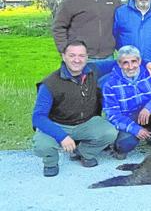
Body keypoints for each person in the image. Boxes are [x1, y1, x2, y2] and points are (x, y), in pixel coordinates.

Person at [32, 40, 118, 177]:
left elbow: (121, 61)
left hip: (85, 123)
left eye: (81, 56)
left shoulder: (93, 70)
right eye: (72, 55)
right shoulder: (50, 83)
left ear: (87, 57)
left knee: (110, 132)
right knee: (42, 145)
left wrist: (146, 63)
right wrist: (62, 136)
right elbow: (38, 117)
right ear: (63, 56)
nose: (77, 60)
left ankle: (84, 152)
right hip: (58, 124)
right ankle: (51, 162)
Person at [102, 46, 151, 159]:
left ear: (139, 61)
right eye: (125, 63)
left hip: (149, 112)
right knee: (124, 146)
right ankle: (118, 146)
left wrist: (149, 107)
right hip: (128, 118)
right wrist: (135, 129)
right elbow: (113, 115)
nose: (130, 67)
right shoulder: (110, 84)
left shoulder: (150, 73)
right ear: (119, 64)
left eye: (134, 61)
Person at [52, 0, 121, 68]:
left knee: (103, 84)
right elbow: (59, 27)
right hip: (80, 59)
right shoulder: (71, 0)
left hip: (108, 58)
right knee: (80, 84)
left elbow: (122, 25)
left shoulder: (113, 1)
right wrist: (64, 50)